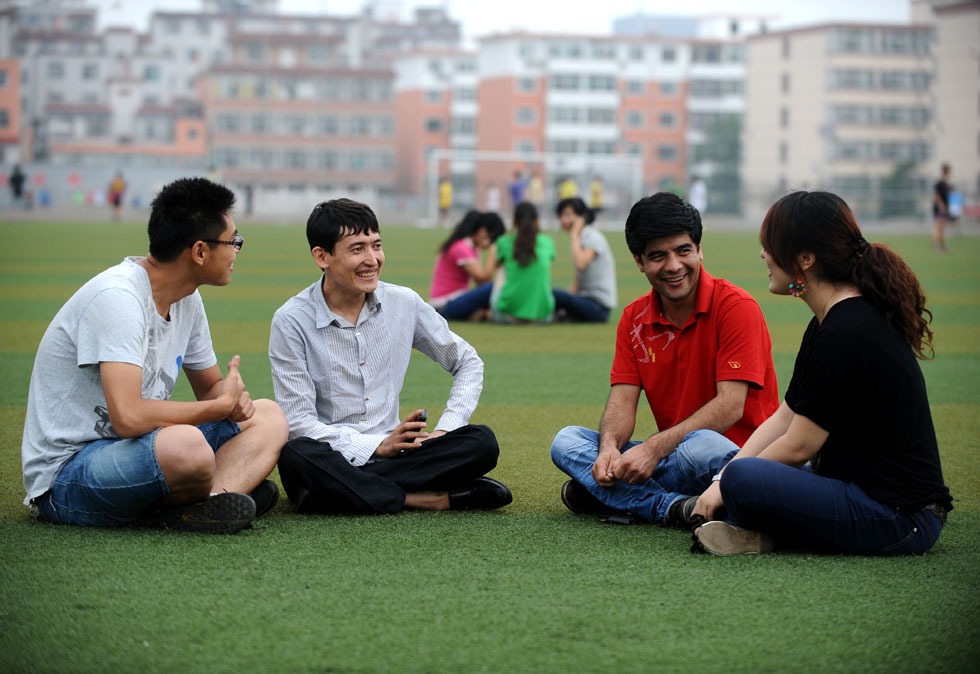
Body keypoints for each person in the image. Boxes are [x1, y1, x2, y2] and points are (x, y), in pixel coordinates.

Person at [690, 191, 953, 556]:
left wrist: (729, 483)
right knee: (730, 467)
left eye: (770, 246)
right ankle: (758, 529)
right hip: (858, 491)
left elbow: (799, 446)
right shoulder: (829, 322)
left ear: (806, 260)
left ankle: (760, 528)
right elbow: (784, 417)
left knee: (743, 477)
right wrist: (721, 479)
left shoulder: (848, 330)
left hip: (900, 518)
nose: (763, 254)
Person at [21, 177, 288, 534]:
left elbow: (209, 388)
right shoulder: (119, 299)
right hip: (69, 474)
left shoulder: (187, 298)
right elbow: (128, 418)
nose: (237, 250)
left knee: (268, 416)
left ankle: (205, 505)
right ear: (199, 252)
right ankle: (205, 495)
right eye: (233, 241)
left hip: (137, 449)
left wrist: (231, 398)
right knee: (187, 446)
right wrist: (215, 408)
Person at [269, 198, 513, 515]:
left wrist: (444, 431)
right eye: (357, 249)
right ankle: (421, 498)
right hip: (331, 456)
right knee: (297, 454)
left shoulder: (404, 303)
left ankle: (345, 493)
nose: (372, 259)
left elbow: (467, 361)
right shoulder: (291, 320)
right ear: (322, 256)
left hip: (400, 454)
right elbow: (300, 423)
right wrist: (375, 447)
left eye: (377, 245)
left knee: (481, 442)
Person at [550, 192, 779, 526]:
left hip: (736, 457)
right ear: (640, 261)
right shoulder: (634, 318)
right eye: (658, 256)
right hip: (674, 457)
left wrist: (653, 449)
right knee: (566, 441)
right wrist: (609, 448)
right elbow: (622, 401)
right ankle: (675, 507)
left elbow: (731, 406)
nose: (673, 266)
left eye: (683, 251)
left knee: (702, 445)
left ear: (700, 249)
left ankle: (613, 497)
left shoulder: (736, 308)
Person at [429, 210, 505, 321]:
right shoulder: (461, 247)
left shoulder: (471, 248)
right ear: (483, 232)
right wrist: (493, 251)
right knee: (493, 287)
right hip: (444, 305)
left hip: (454, 300)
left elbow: (481, 283)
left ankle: (482, 314)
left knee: (492, 289)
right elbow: (484, 278)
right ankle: (483, 314)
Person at [552, 196, 617, 323]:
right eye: (561, 215)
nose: (563, 219)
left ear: (581, 217)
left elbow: (580, 264)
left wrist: (574, 235)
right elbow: (578, 280)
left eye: (568, 215)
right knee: (556, 297)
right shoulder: (581, 239)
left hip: (598, 307)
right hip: (585, 301)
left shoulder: (592, 236)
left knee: (554, 295)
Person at [491, 201, 556, 323]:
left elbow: (494, 267)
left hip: (507, 315)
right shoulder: (547, 242)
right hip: (543, 317)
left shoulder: (504, 242)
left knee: (502, 271)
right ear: (537, 221)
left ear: (514, 221)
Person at [931, 163, 954, 252]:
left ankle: (941, 245)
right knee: (938, 226)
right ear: (946, 171)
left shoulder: (945, 183)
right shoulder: (940, 183)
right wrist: (941, 205)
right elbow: (936, 195)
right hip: (940, 208)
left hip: (944, 208)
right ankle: (936, 246)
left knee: (942, 227)